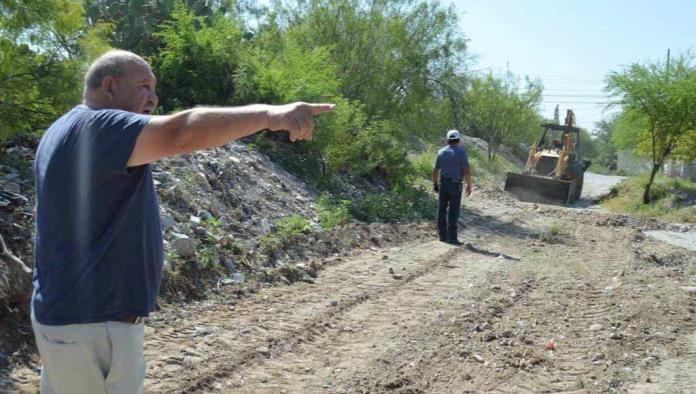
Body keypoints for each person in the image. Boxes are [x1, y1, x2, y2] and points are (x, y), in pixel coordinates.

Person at [31, 49, 334, 393]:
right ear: (110, 86)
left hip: (67, 319)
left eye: (154, 88)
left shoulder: (63, 129)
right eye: (144, 86)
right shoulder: (99, 127)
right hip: (93, 326)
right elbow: (180, 133)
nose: (154, 97)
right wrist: (269, 115)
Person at [432, 129, 472, 245]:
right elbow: (466, 171)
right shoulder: (461, 153)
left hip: (443, 184)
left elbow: (435, 170)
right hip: (455, 185)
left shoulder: (441, 152)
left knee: (441, 211)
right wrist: (469, 185)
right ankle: (453, 239)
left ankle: (443, 237)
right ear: (458, 140)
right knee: (453, 212)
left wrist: (435, 184)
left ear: (448, 140)